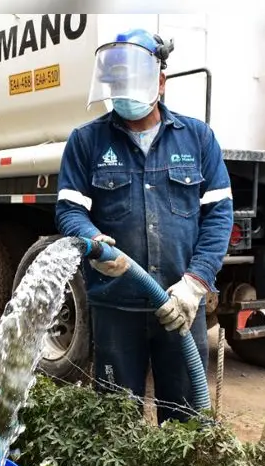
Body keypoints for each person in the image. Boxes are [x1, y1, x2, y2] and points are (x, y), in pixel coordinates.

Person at [55, 29, 233, 423]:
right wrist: (92, 240)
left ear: (161, 81)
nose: (123, 92)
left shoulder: (198, 138)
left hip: (180, 304)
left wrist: (195, 284)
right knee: (115, 423)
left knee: (186, 423)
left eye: (131, 81)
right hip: (116, 306)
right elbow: (69, 212)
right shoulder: (87, 141)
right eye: (116, 83)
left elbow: (219, 217)